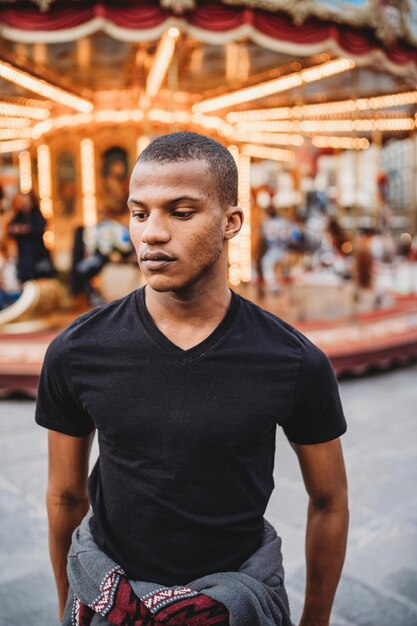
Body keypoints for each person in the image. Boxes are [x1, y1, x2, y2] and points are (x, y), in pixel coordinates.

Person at [36, 132, 348, 626]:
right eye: (140, 213)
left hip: (239, 601)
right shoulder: (77, 351)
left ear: (231, 222)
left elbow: (329, 501)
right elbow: (65, 497)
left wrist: (315, 619)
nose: (151, 234)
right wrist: (64, 610)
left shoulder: (292, 360)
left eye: (181, 213)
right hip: (110, 600)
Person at [8, 191, 55, 283]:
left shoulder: (36, 214)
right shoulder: (19, 215)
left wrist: (24, 229)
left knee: (37, 280)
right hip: (23, 254)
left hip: (36, 254)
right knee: (24, 279)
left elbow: (40, 229)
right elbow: (11, 229)